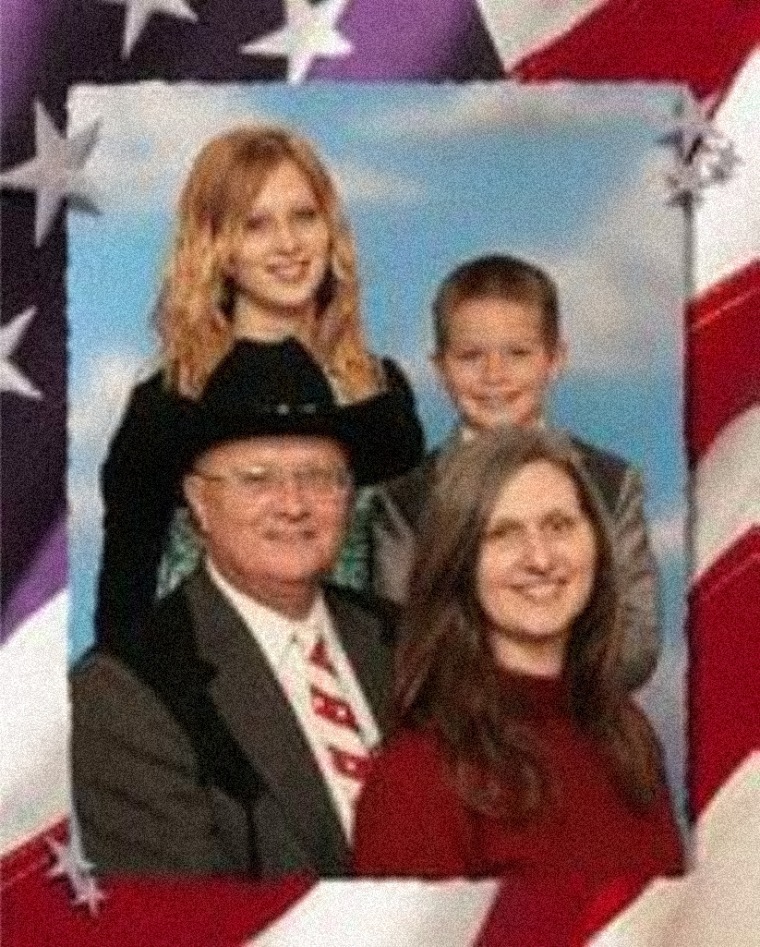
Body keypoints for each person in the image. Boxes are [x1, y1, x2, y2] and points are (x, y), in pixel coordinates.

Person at [72, 338, 420, 876]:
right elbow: (183, 921)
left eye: (318, 477)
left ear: (348, 495)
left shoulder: (410, 643)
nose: (293, 504)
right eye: (257, 478)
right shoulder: (128, 688)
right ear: (199, 502)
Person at [96, 124, 423, 650]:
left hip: (366, 681)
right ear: (216, 247)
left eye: (304, 217)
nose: (289, 244)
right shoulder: (167, 404)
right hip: (213, 689)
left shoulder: (380, 393)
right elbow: (124, 597)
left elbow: (412, 574)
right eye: (256, 225)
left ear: (330, 231)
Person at [353, 428, 683, 884]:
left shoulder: (626, 734)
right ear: (458, 562)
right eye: (503, 534)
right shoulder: (418, 778)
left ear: (598, 545)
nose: (540, 558)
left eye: (559, 526)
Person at [373, 254, 660, 690]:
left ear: (555, 359)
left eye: (518, 353)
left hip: (587, 722)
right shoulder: (407, 499)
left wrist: (549, 692)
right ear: (440, 369)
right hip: (461, 729)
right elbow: (403, 635)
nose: (494, 375)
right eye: (471, 356)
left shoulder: (611, 482)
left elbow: (636, 639)